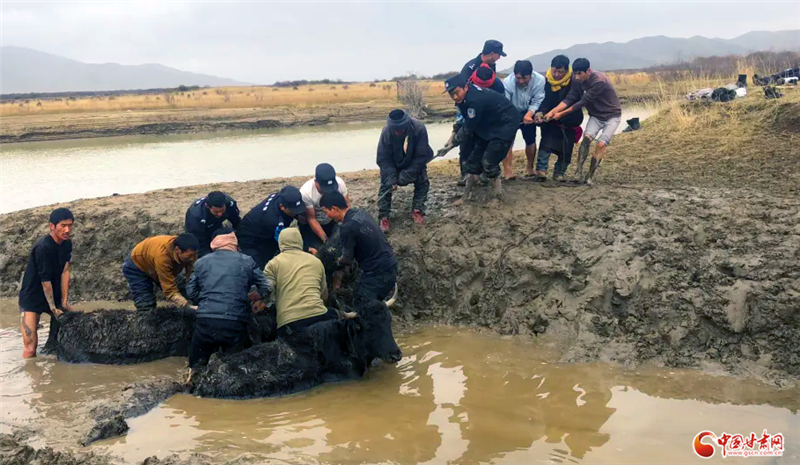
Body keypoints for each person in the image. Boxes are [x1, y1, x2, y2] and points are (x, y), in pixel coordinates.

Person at [186, 228, 269, 369]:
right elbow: (267, 287)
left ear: (214, 245)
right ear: (235, 245)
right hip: (235, 322)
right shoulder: (247, 261)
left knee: (195, 367)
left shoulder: (201, 262)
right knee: (233, 369)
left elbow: (190, 291)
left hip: (205, 320)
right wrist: (249, 297)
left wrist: (207, 299)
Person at [545, 58, 622, 184]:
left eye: (579, 73)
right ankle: (578, 173)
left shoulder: (599, 81)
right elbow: (571, 97)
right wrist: (553, 111)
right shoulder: (576, 80)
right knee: (586, 140)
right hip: (596, 116)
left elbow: (582, 102)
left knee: (601, 144)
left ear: (588, 71)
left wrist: (561, 114)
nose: (576, 76)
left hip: (612, 116)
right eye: (574, 73)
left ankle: (589, 176)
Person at [444, 73, 520, 201]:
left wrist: (454, 143)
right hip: (488, 124)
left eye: (457, 92)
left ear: (465, 87)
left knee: (489, 162)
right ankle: (465, 196)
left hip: (505, 124)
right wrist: (451, 139)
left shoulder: (475, 101)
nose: (455, 97)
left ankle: (497, 196)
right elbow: (463, 121)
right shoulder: (463, 99)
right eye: (451, 94)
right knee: (472, 162)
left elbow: (468, 128)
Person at [320, 191, 397, 305]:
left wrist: (334, 264)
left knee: (362, 304)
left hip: (377, 272)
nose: (327, 216)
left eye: (326, 212)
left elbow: (347, 259)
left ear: (335, 208)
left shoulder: (347, 228)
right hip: (390, 263)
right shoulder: (360, 212)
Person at [18, 208, 76, 358]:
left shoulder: (67, 244)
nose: (67, 230)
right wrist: (52, 308)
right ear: (52, 226)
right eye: (63, 225)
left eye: (70, 225)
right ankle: (33, 379)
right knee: (30, 349)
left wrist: (64, 301)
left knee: (60, 343)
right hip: (33, 297)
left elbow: (65, 271)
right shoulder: (42, 247)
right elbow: (45, 281)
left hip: (53, 294)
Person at [264, 228, 337, 337]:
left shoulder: (273, 264)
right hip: (319, 314)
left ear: (280, 243)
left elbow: (266, 290)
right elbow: (324, 294)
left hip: (289, 321)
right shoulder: (315, 261)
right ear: (300, 241)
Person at [376, 109, 433, 232]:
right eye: (395, 130)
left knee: (423, 181)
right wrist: (392, 178)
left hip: (414, 161)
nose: (398, 132)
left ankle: (417, 210)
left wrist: (406, 175)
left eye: (401, 129)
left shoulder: (419, 129)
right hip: (393, 163)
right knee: (385, 184)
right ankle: (384, 216)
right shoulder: (386, 132)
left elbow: (421, 157)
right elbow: (383, 159)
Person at [532, 55, 584, 181]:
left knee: (566, 149)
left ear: (567, 70)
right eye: (554, 71)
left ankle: (559, 172)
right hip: (550, 120)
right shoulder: (546, 81)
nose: (556, 74)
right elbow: (544, 100)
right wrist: (540, 113)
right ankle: (541, 170)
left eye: (560, 72)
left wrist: (562, 113)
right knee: (546, 145)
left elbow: (575, 100)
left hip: (569, 119)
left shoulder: (574, 82)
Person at [123, 233, 198, 311]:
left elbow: (190, 272)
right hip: (136, 266)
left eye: (194, 255)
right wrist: (187, 306)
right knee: (146, 304)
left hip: (154, 261)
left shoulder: (187, 249)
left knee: (184, 290)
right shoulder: (162, 258)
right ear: (177, 250)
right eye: (189, 256)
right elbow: (170, 291)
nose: (192, 258)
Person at [237, 186, 307, 269]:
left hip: (263, 226)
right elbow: (286, 243)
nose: (297, 213)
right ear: (282, 207)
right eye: (294, 211)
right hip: (250, 237)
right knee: (259, 266)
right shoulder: (274, 221)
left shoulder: (282, 197)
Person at [502, 60, 545, 179]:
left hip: (529, 111)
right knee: (507, 142)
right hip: (511, 112)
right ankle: (508, 171)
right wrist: (513, 119)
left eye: (524, 78)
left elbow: (537, 100)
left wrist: (529, 114)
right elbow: (506, 104)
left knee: (531, 140)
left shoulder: (540, 80)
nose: (521, 81)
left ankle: (530, 168)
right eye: (518, 78)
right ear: (514, 75)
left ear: (531, 75)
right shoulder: (507, 83)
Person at [298, 164, 350, 252]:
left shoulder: (340, 183)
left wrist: (347, 224)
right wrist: (326, 240)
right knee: (318, 250)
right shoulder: (306, 193)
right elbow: (311, 219)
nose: (327, 191)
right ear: (316, 182)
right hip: (313, 224)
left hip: (332, 219)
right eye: (324, 188)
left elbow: (346, 206)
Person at [184, 191, 241, 258]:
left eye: (222, 210)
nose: (220, 214)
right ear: (207, 206)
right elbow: (200, 242)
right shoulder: (196, 216)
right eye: (216, 211)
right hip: (199, 228)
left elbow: (236, 221)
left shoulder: (230, 204)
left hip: (216, 221)